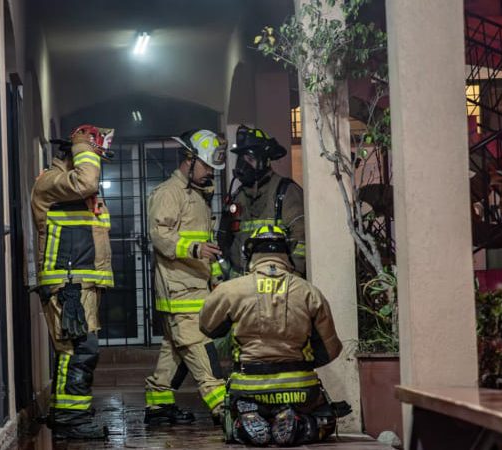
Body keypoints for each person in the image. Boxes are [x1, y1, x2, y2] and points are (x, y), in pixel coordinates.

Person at [199, 225, 351, 446]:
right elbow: (331, 349)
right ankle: (298, 421)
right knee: (324, 420)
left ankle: (245, 423)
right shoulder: (309, 292)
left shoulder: (231, 290)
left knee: (231, 421)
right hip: (300, 388)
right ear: (287, 253)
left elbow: (207, 327)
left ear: (249, 254)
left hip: (247, 387)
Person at [30, 124, 115, 441]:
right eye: (93, 155)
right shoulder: (53, 183)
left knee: (79, 349)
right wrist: (83, 146)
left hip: (80, 282)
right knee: (78, 349)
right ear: (75, 154)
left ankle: (70, 413)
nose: (96, 163)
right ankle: (71, 419)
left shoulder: (75, 191)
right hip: (68, 283)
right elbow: (87, 178)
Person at [144, 129, 228, 425]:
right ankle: (224, 408)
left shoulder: (198, 195)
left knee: (174, 349)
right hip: (180, 291)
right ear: (189, 160)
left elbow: (206, 245)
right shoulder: (169, 193)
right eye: (206, 167)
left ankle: (158, 404)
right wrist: (193, 248)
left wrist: (215, 277)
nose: (209, 174)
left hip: (194, 287)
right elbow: (159, 235)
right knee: (199, 346)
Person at [218, 125, 306, 278]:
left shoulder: (286, 192)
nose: (243, 166)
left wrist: (293, 278)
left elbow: (301, 242)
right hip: (244, 287)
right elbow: (225, 243)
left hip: (277, 286)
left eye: (250, 159)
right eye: (241, 159)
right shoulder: (238, 197)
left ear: (264, 161)